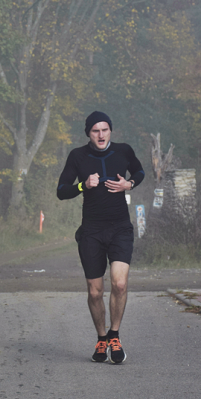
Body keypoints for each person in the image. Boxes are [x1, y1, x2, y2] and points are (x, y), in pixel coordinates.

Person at [56, 111, 145, 364]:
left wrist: (129, 184)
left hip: (120, 228)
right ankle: (101, 337)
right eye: (96, 130)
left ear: (110, 131)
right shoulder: (77, 156)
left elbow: (139, 172)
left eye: (105, 129)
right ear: (89, 133)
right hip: (91, 231)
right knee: (95, 292)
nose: (101, 134)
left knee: (119, 284)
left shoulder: (123, 151)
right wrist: (84, 185)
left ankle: (115, 336)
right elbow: (61, 191)